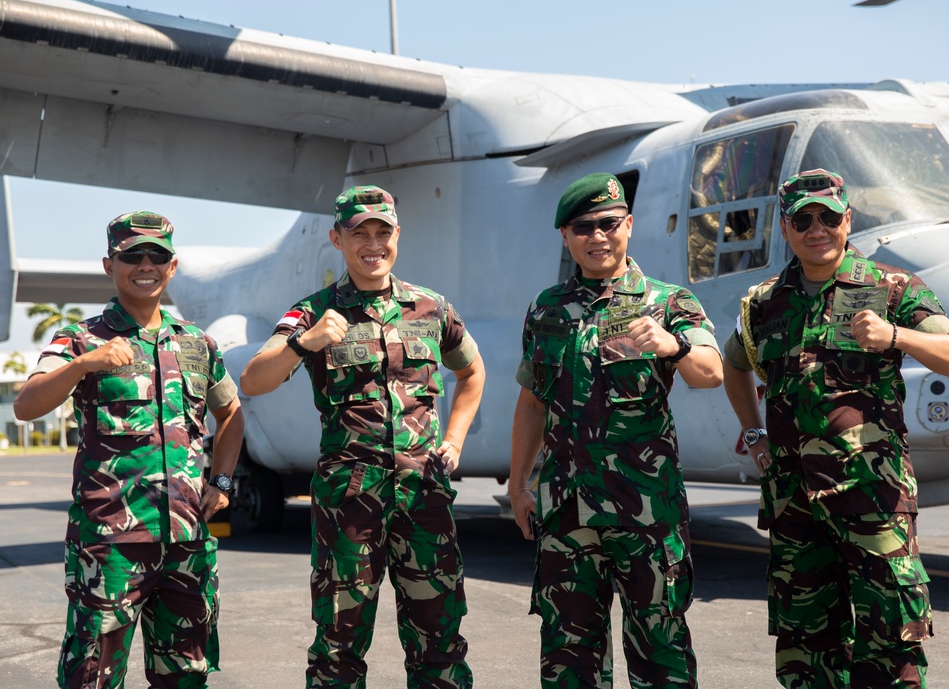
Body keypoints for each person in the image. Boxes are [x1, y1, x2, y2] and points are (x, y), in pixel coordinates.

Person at [722, 169, 949, 688]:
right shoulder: (765, 302)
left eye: (829, 216)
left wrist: (896, 336)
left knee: (890, 644)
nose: (818, 228)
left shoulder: (891, 288)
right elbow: (734, 365)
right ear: (787, 228)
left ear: (847, 220)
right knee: (806, 648)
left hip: (873, 499)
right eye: (804, 219)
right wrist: (754, 436)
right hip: (795, 505)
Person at [239, 184, 485, 689]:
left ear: (398, 236)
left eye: (383, 232)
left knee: (439, 639)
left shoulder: (431, 308)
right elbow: (253, 380)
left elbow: (473, 372)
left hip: (424, 498)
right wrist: (304, 344)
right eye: (359, 233)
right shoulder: (313, 311)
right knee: (338, 643)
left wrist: (455, 441)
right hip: (349, 502)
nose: (373, 244)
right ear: (337, 239)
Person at [509, 172, 723, 688]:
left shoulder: (669, 302)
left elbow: (712, 371)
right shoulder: (547, 309)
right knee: (568, 659)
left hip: (647, 515)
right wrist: (519, 484)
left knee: (660, 653)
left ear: (628, 225)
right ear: (566, 236)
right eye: (584, 227)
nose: (598, 236)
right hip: (567, 513)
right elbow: (533, 402)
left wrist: (673, 345)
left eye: (608, 223)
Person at [14, 211, 244, 688]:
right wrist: (82, 365)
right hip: (110, 544)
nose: (145, 264)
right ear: (109, 264)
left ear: (172, 266)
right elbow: (26, 405)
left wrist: (220, 483)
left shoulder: (197, 344)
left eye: (157, 255)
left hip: (187, 545)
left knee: (186, 674)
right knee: (92, 677)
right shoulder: (79, 339)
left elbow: (231, 413)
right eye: (131, 255)